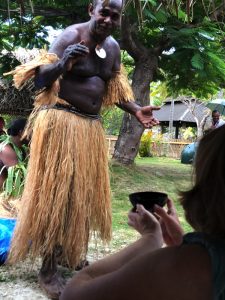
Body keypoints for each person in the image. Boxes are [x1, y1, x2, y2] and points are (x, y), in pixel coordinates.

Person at [5, 0, 160, 298]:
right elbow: (39, 81)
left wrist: (137, 110)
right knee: (56, 197)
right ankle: (48, 268)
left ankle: (66, 254)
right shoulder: (69, 37)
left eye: (115, 16)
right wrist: (64, 64)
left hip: (90, 128)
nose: (108, 19)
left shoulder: (113, 48)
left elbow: (115, 91)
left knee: (79, 196)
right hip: (61, 123)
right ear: (92, 9)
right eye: (104, 12)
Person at [61, 124, 225, 300]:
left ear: (210, 188)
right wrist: (180, 243)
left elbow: (73, 295)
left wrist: (151, 239)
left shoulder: (197, 264)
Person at [0, 118, 27, 190]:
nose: (33, 134)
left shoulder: (22, 149)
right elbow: (18, 179)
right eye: (31, 131)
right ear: (21, 132)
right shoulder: (7, 149)